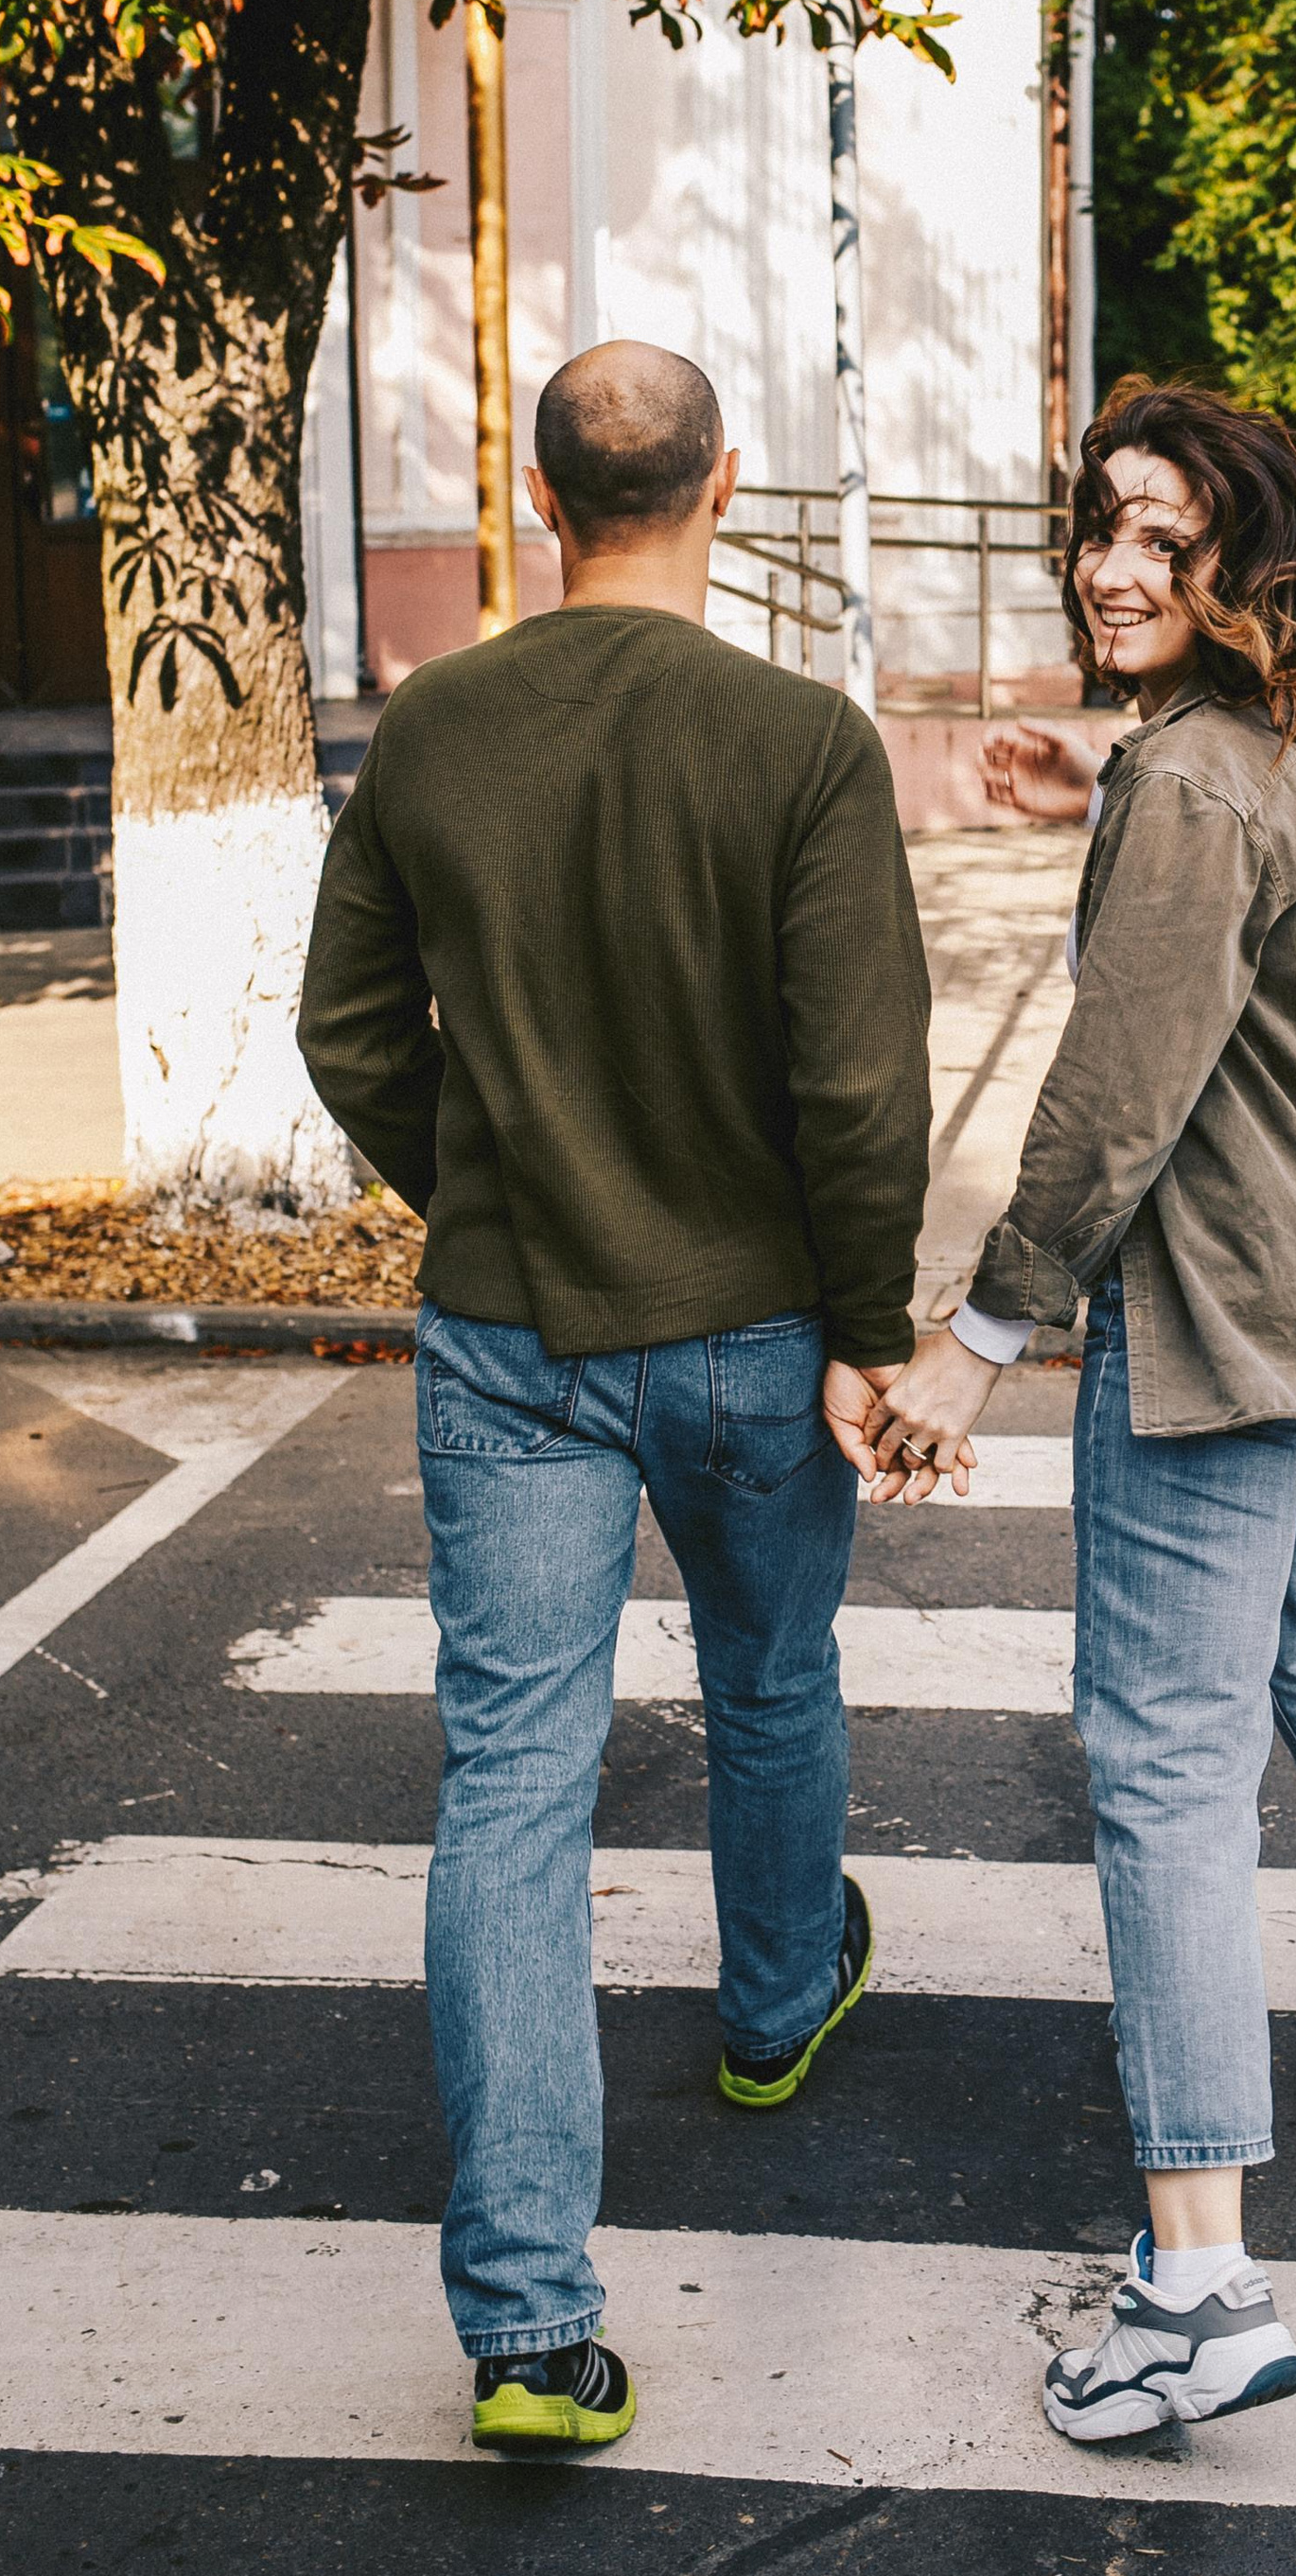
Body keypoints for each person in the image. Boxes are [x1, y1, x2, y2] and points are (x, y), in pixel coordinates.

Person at [298, 340, 933, 2460]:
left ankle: (529, 2329)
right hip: (756, 1322)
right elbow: (856, 1085)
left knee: (508, 1790)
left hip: (506, 1327)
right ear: (724, 488)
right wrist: (869, 1322)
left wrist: (480, 1182)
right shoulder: (799, 741)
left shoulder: (435, 727)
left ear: (539, 493)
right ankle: (770, 2011)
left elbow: (348, 1029)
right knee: (768, 1678)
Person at [867, 377, 1296, 2445]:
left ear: (1252, 560)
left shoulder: (1196, 786)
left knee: (1157, 1756)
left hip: (1226, 1320)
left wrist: (977, 1336)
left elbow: (1112, 1098)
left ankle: (1198, 2281)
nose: (1113, 566)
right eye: (1099, 529)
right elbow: (1237, 923)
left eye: (1166, 539)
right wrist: (1106, 789)